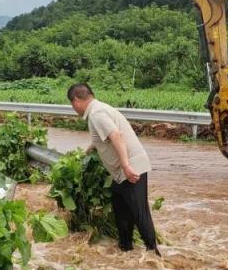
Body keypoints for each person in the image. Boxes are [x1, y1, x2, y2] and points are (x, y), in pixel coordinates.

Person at [66, 83, 159, 255]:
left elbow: (116, 136)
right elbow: (101, 139)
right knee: (121, 211)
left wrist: (126, 166)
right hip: (121, 172)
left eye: (72, 104)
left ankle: (154, 255)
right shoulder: (97, 110)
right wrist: (84, 153)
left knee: (139, 212)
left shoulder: (97, 114)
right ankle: (126, 249)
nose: (73, 108)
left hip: (131, 168)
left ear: (77, 100)